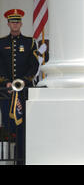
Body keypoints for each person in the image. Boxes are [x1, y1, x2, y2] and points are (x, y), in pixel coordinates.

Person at [0, 9, 39, 164]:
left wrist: (23, 81)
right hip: (6, 92)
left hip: (25, 92)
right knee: (8, 126)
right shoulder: (1, 43)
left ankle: (23, 159)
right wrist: (6, 82)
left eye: (17, 22)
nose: (15, 24)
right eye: (12, 22)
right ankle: (8, 160)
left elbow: (34, 65)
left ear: (21, 24)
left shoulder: (30, 42)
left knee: (24, 127)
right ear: (8, 24)